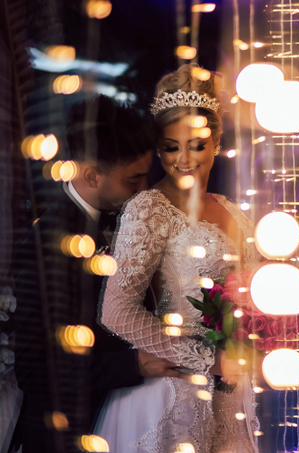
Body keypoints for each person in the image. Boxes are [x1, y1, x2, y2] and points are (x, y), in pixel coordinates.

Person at [94, 64, 261, 453]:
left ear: (217, 141)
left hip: (229, 395)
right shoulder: (148, 208)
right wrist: (205, 358)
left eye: (197, 145)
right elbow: (116, 312)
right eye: (171, 147)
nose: (183, 159)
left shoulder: (232, 211)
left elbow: (269, 281)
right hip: (170, 395)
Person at [12, 95, 179, 453]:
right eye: (133, 179)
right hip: (69, 434)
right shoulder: (47, 245)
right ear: (91, 175)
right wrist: (132, 364)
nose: (143, 189)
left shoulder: (126, 218)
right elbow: (34, 370)